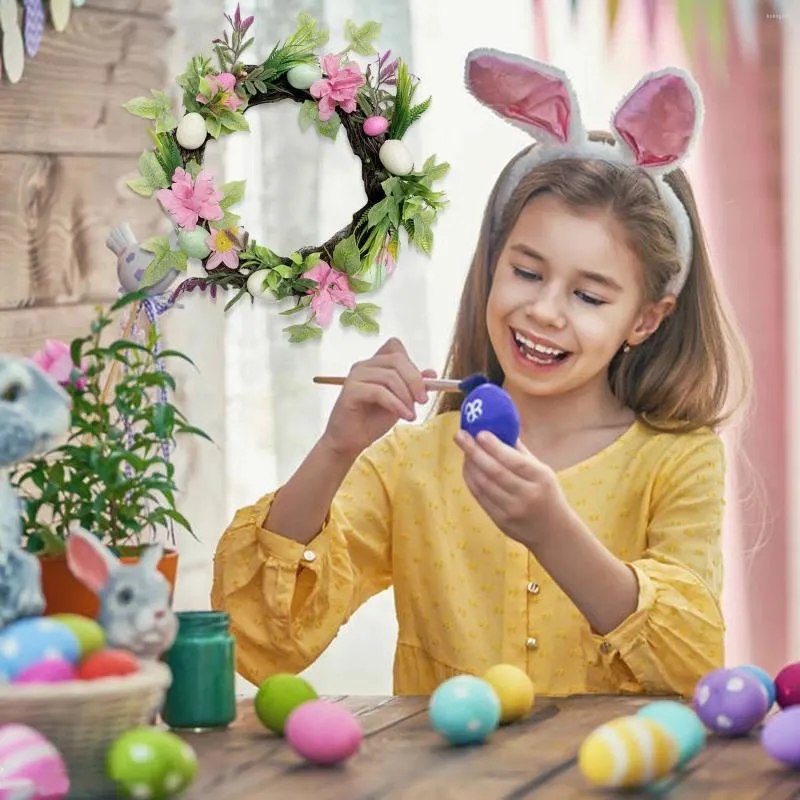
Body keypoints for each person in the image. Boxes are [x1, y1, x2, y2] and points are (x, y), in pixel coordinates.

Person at [211, 51, 750, 698]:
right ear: (493, 262)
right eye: (527, 271)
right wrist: (336, 450)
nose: (544, 311)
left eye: (591, 296)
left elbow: (692, 668)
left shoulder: (680, 461)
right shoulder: (414, 462)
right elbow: (260, 639)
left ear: (645, 319)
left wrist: (554, 530)